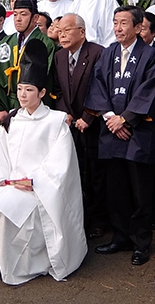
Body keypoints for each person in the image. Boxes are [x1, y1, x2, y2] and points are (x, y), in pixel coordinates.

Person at [0, 40, 87, 285]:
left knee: (7, 210)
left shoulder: (56, 122)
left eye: (29, 90)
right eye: (20, 89)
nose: (22, 94)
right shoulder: (11, 121)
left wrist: (34, 181)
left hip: (37, 188)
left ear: (42, 93)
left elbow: (61, 163)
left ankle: (18, 264)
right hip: (9, 183)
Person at [85, 6, 155, 266]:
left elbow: (150, 91)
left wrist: (126, 119)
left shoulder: (151, 56)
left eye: (123, 23)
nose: (118, 28)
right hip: (111, 130)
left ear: (138, 27)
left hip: (138, 131)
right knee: (116, 188)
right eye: (115, 22)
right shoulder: (108, 53)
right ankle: (120, 236)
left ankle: (141, 242)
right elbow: (97, 85)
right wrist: (111, 118)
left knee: (140, 191)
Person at [0, 0, 56, 138]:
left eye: (23, 14)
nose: (18, 19)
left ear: (35, 18)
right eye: (15, 14)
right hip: (5, 104)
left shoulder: (46, 44)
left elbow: (47, 81)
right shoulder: (6, 43)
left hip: (32, 107)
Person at [53, 13, 106, 238]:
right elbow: (57, 90)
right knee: (75, 172)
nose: (62, 35)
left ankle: (98, 220)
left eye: (67, 30)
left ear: (82, 32)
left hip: (93, 124)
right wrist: (64, 112)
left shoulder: (97, 53)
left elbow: (101, 88)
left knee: (95, 173)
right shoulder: (59, 56)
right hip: (70, 123)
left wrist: (88, 116)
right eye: (60, 31)